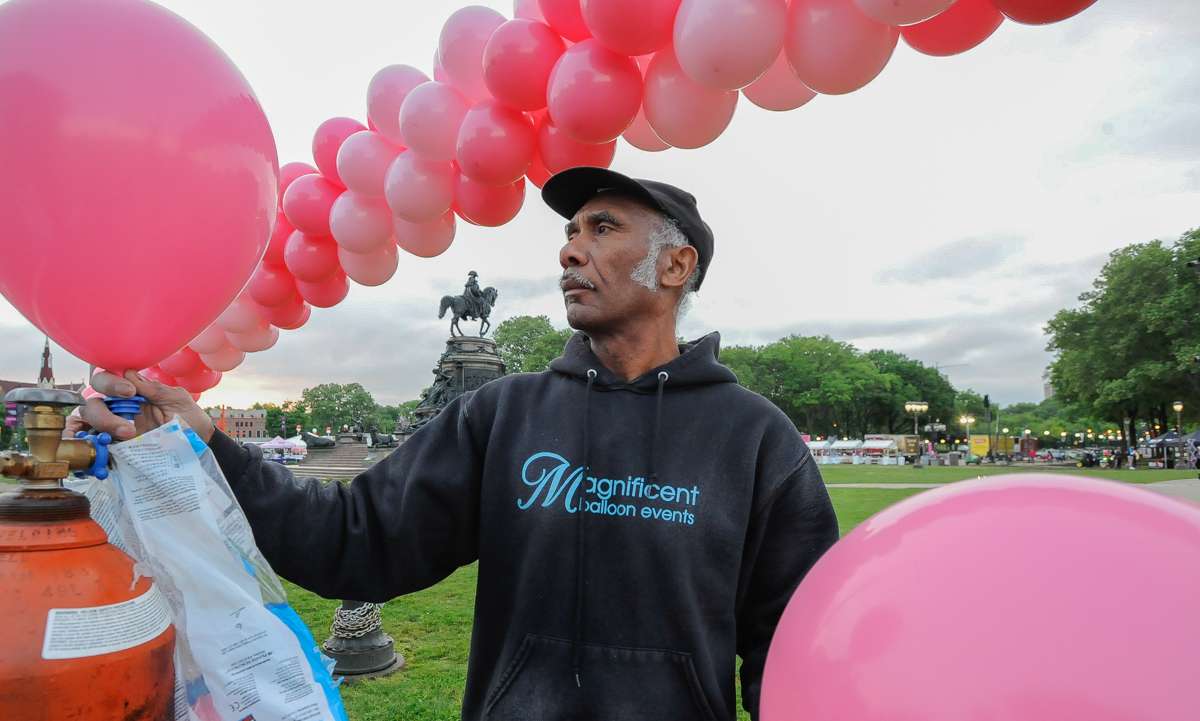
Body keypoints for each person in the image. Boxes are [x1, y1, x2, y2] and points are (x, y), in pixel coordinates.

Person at [78, 167, 839, 721]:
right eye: (570, 233)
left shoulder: (756, 439)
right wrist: (209, 440)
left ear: (676, 264)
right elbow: (354, 540)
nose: (570, 251)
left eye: (602, 228)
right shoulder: (503, 415)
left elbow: (793, 649)